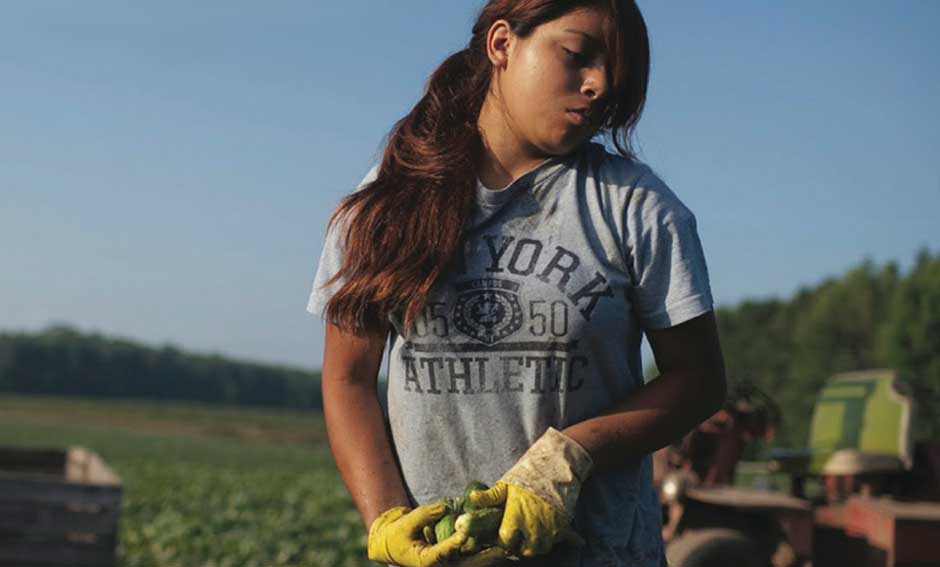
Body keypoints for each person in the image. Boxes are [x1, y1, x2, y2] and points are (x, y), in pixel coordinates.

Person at [306, 1, 727, 566]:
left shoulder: (637, 208)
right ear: (502, 44)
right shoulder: (387, 204)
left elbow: (699, 379)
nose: (600, 84)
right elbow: (349, 379)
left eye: (616, 71)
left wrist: (569, 457)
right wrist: (383, 518)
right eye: (577, 54)